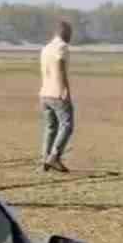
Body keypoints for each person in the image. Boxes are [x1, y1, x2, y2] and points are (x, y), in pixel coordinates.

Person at [39, 20, 74, 173]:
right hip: (57, 93)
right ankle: (54, 157)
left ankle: (46, 159)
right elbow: (60, 66)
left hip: (44, 93)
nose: (71, 36)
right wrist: (65, 90)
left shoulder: (46, 48)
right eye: (69, 33)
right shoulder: (62, 47)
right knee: (67, 125)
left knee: (51, 127)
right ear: (63, 32)